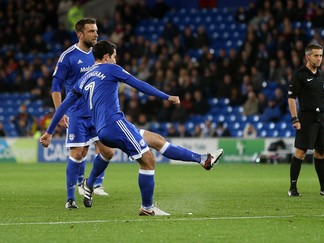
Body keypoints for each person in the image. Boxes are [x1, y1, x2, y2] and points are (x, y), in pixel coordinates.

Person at [41, 40, 224, 216]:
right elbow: (139, 85)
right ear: (106, 57)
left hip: (104, 129)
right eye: (114, 56)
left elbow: (64, 106)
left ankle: (203, 159)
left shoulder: (84, 79)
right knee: (148, 160)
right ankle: (147, 207)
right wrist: (167, 97)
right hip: (115, 125)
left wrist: (49, 132)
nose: (115, 59)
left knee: (156, 140)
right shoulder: (111, 68)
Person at [52, 18, 113, 209]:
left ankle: (89, 183)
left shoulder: (98, 55)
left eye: (96, 31)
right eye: (91, 31)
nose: (96, 34)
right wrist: (59, 112)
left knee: (108, 152)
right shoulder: (68, 56)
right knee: (78, 153)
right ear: (80, 34)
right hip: (77, 113)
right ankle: (70, 199)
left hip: (97, 113)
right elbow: (55, 86)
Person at [287, 43, 324, 197]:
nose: (319, 58)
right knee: (300, 152)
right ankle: (293, 188)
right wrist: (295, 119)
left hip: (321, 117)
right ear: (307, 56)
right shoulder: (299, 75)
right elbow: (291, 98)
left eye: (321, 55)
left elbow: (323, 98)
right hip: (307, 117)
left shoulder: (320, 74)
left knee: (320, 152)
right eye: (316, 55)